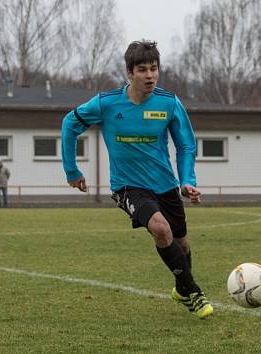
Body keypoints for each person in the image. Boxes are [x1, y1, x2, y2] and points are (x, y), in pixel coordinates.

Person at [61, 40, 213, 319]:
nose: (150, 75)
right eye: (142, 69)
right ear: (129, 73)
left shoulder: (169, 103)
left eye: (154, 69)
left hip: (165, 185)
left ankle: (181, 289)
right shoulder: (107, 104)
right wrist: (72, 170)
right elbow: (70, 123)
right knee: (160, 229)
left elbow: (186, 146)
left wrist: (187, 180)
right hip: (128, 187)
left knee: (181, 242)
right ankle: (194, 292)